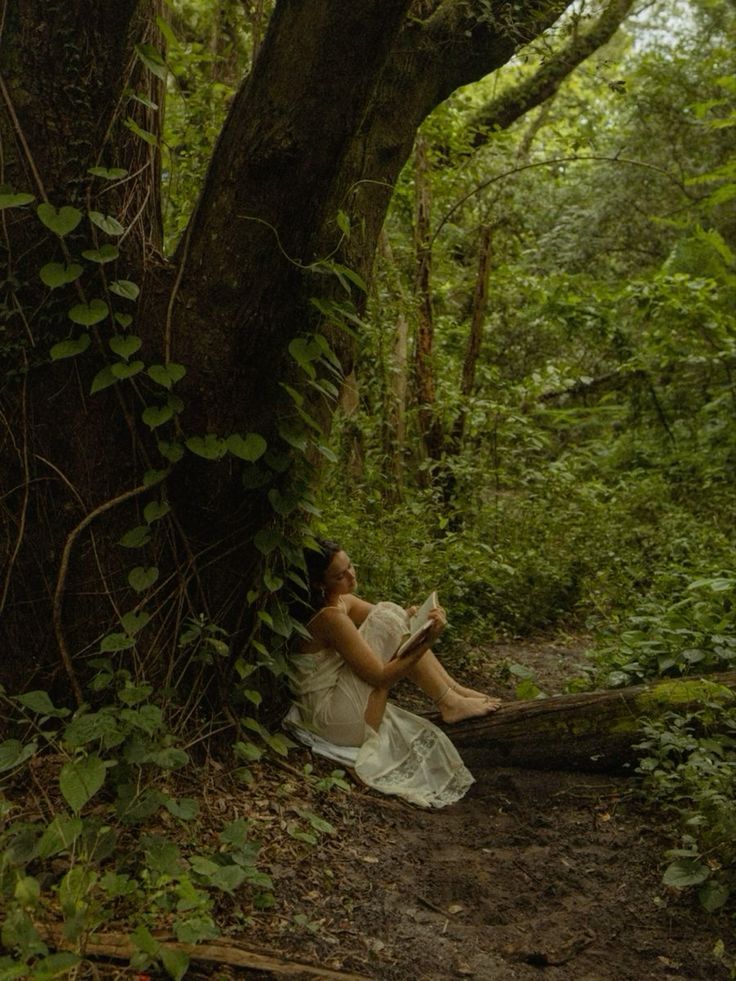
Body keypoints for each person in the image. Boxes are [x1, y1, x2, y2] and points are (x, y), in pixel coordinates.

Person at [288, 539, 501, 808]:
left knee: (392, 614)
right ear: (320, 583)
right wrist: (428, 640)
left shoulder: (343, 602)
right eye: (340, 575)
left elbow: (394, 620)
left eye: (350, 566)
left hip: (338, 704)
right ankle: (448, 701)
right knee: (388, 618)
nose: (351, 575)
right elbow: (381, 678)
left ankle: (454, 692)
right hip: (331, 720)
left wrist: (413, 618)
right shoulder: (330, 618)